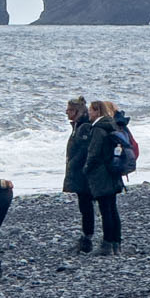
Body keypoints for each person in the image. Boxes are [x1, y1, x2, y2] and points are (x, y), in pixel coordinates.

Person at [82, 99, 127, 254]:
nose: (88, 113)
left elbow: (93, 153)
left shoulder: (98, 129)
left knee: (105, 209)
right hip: (113, 172)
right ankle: (116, 243)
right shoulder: (112, 125)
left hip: (101, 174)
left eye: (91, 111)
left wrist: (87, 168)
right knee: (113, 209)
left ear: (97, 111)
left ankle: (107, 244)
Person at [63, 94, 95, 252]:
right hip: (80, 173)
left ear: (76, 111)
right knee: (84, 205)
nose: (66, 113)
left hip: (84, 174)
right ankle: (86, 236)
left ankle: (87, 238)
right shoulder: (78, 126)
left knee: (86, 205)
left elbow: (84, 150)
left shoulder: (84, 127)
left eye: (69, 110)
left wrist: (73, 165)